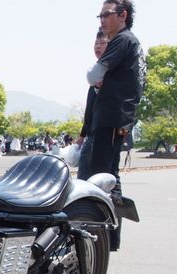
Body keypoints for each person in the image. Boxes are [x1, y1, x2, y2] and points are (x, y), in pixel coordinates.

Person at [84, 0, 145, 250]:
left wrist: (100, 78)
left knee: (100, 177)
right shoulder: (132, 43)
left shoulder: (123, 39)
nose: (102, 20)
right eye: (99, 16)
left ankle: (98, 235)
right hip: (117, 117)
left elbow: (93, 75)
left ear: (123, 15)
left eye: (106, 15)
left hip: (111, 116)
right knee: (110, 176)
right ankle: (110, 238)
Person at [76, 30, 110, 180]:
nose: (98, 46)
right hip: (92, 131)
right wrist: (82, 134)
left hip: (102, 130)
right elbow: (89, 109)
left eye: (102, 43)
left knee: (91, 174)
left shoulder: (111, 72)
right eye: (96, 43)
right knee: (89, 173)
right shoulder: (97, 73)